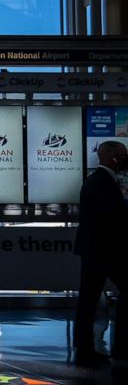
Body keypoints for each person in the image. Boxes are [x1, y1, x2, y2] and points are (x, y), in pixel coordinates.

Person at [73, 140, 128, 366]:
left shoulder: (99, 180)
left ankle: (85, 348)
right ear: (111, 157)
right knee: (91, 298)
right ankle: (121, 348)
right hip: (102, 251)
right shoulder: (102, 182)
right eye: (122, 155)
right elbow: (113, 217)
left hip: (95, 250)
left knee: (88, 299)